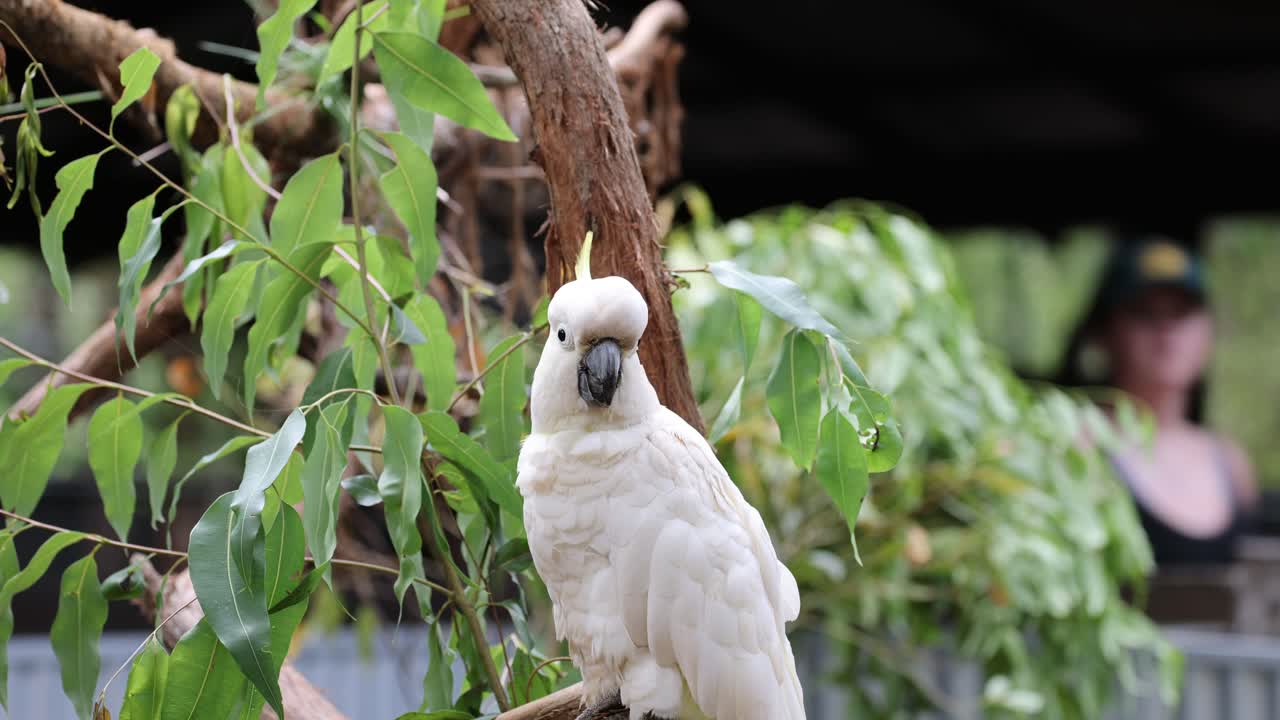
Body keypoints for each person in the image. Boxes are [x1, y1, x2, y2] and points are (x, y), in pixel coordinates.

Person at [1062, 238, 1258, 567]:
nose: (1168, 332)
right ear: (1105, 333)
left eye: (1182, 313)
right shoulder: (1078, 448)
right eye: (1146, 314)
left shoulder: (1231, 463)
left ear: (1208, 330)